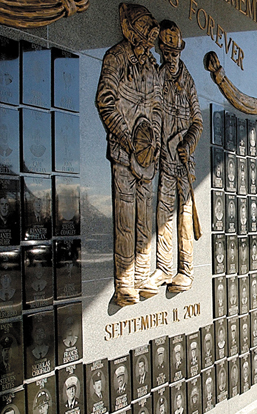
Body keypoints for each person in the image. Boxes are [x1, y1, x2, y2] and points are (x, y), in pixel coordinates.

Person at [96, 3, 162, 305]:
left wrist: (155, 142)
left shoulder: (151, 65)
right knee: (125, 215)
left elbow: (158, 108)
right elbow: (105, 100)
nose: (150, 42)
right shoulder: (116, 56)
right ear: (132, 30)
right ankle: (124, 281)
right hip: (124, 153)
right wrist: (127, 138)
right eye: (145, 33)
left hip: (147, 158)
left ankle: (142, 275)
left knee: (144, 217)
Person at [151, 20, 203, 293]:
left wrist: (189, 142)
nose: (171, 58)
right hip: (164, 158)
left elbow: (198, 121)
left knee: (184, 214)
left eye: (175, 53)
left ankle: (185, 270)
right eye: (167, 53)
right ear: (161, 51)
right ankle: (163, 267)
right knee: (163, 212)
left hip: (183, 160)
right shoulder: (157, 78)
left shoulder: (189, 81)